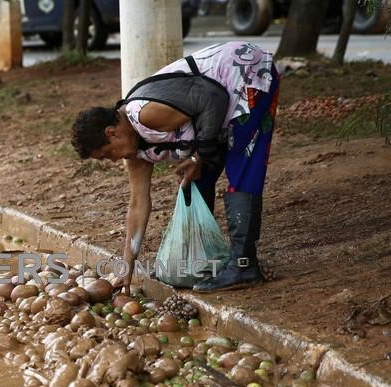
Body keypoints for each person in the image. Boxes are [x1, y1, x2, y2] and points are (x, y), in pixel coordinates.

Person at [70, 41, 280, 294]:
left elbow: (213, 98)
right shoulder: (136, 153)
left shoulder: (145, 114)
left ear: (111, 133)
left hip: (244, 74)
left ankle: (244, 266)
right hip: (219, 105)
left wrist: (198, 156)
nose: (112, 160)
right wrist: (128, 264)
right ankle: (202, 258)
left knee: (242, 166)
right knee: (196, 179)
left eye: (106, 155)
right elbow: (137, 203)